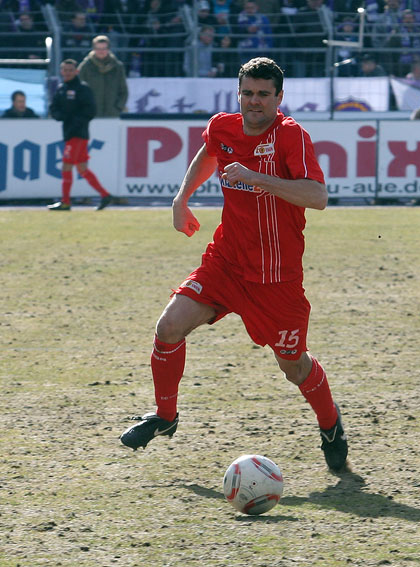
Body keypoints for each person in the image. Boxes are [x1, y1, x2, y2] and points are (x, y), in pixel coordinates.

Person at [119, 57, 348, 473]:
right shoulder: (223, 127)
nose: (255, 101)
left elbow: (317, 196)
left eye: (264, 94)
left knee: (294, 366)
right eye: (248, 93)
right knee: (168, 328)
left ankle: (330, 425)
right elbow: (210, 151)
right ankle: (165, 417)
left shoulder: (291, 135)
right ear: (238, 93)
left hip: (275, 278)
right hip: (226, 263)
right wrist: (181, 199)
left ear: (279, 97)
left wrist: (260, 178)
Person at [48, 59, 113, 211]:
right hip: (69, 133)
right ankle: (105, 195)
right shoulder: (61, 89)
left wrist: (74, 121)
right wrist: (60, 116)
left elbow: (90, 110)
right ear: (61, 71)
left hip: (78, 133)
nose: (67, 73)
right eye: (65, 70)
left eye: (70, 70)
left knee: (66, 166)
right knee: (82, 169)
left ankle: (65, 202)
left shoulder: (83, 89)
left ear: (76, 71)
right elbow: (54, 107)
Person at [77, 35, 128, 117]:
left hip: (112, 113)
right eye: (98, 48)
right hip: (90, 113)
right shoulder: (85, 66)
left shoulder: (117, 67)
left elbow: (123, 90)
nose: (101, 51)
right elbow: (78, 88)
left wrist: (118, 107)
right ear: (93, 49)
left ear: (108, 49)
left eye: (104, 48)